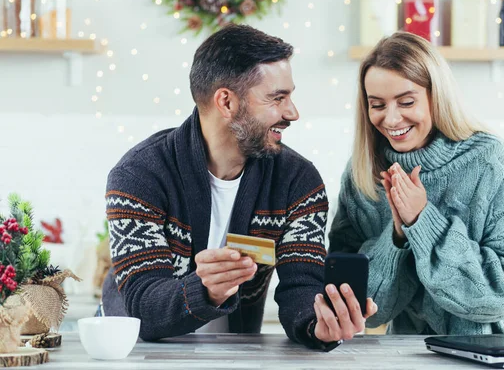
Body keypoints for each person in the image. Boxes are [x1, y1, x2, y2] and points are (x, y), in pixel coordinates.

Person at [99, 24, 377, 349]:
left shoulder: (298, 181)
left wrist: (318, 325)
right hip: (129, 352)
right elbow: (142, 305)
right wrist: (206, 289)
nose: (293, 112)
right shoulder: (139, 175)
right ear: (227, 103)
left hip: (234, 352)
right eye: (277, 98)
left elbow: (301, 281)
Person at [328, 31, 504, 335]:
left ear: (437, 96)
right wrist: (397, 237)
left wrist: (422, 222)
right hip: (416, 353)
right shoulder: (362, 174)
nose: (392, 119)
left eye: (406, 101)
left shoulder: (493, 161)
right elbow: (361, 309)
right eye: (378, 105)